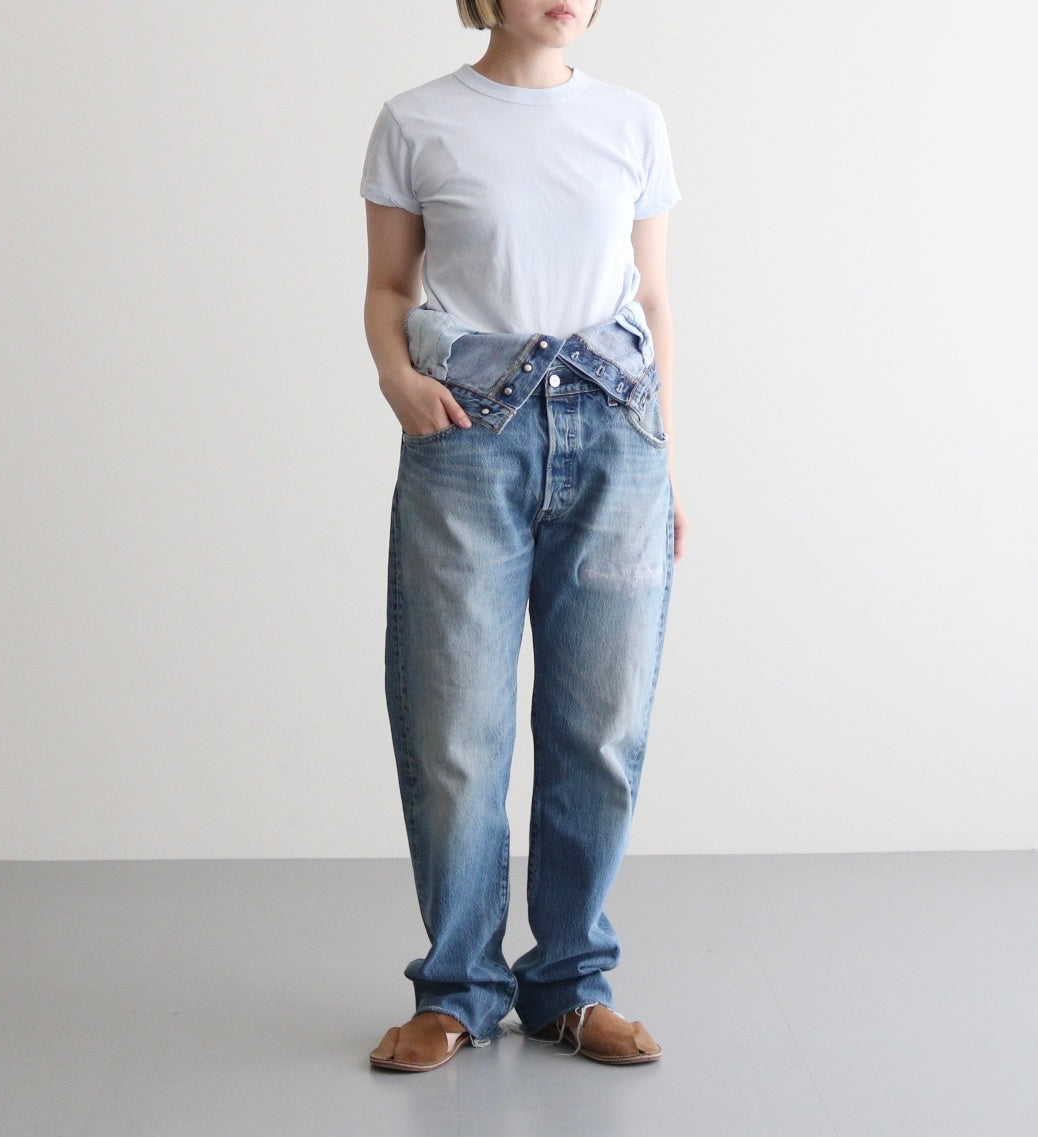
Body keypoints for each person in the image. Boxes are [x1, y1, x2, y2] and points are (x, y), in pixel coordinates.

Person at [359, 0, 684, 1071]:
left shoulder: (633, 121)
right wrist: (396, 377)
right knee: (454, 732)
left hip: (617, 437)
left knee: (601, 730)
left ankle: (571, 987)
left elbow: (653, 299)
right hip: (468, 440)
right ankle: (456, 989)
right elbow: (389, 286)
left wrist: (665, 460)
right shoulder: (416, 120)